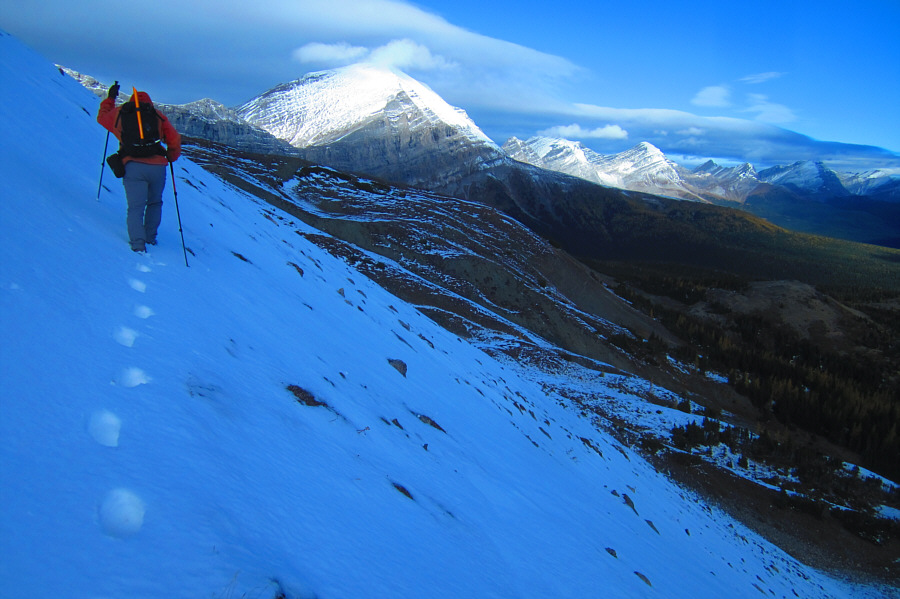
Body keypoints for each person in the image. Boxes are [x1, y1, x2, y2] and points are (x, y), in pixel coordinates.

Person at [97, 83, 181, 253]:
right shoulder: (156, 115)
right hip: (158, 167)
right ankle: (150, 238)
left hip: (133, 166)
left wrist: (110, 99)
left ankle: (138, 245)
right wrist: (171, 156)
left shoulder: (121, 113)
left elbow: (102, 118)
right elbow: (174, 138)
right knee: (155, 202)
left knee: (136, 207)